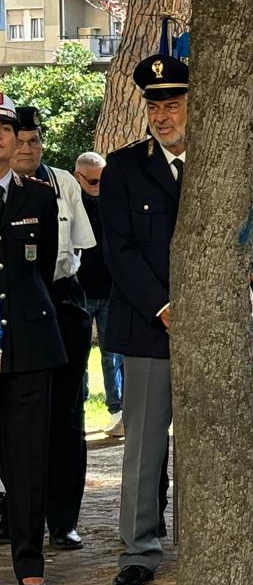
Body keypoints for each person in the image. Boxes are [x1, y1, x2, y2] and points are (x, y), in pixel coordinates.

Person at [102, 54, 189, 585]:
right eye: (155, 105)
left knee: (208, 440)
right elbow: (119, 251)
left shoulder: (217, 162)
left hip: (211, 329)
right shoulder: (125, 168)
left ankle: (202, 538)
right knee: (144, 447)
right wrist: (164, 307)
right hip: (147, 326)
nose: (162, 115)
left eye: (173, 104)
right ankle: (139, 549)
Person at [14, 107, 97, 551]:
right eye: (19, 140)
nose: (27, 149)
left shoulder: (64, 182)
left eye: (34, 141)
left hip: (62, 299)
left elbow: (81, 246)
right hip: (16, 304)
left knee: (67, 412)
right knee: (17, 412)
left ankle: (63, 518)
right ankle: (15, 511)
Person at [0, 94, 64, 585]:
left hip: (28, 341)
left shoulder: (40, 194)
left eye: (5, 129)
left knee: (27, 458)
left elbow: (40, 270)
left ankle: (29, 560)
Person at [72, 152, 120, 438]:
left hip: (111, 290)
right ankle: (79, 408)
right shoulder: (68, 202)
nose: (97, 184)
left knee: (112, 354)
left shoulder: (113, 203)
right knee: (78, 355)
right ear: (78, 177)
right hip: (80, 291)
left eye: (102, 179)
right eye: (91, 180)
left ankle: (119, 411)